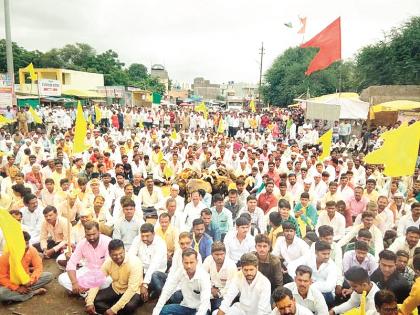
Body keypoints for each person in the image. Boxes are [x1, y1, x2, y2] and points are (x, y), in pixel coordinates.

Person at [85, 239, 143, 315]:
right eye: (115, 255)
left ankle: (115, 308)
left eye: (121, 253)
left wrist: (114, 309)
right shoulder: (108, 262)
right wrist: (89, 302)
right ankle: (116, 308)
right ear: (109, 254)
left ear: (124, 250)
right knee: (95, 300)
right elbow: (97, 281)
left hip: (134, 291)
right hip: (116, 289)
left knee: (129, 306)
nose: (118, 257)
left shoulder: (135, 263)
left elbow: (132, 289)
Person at [58, 221, 112, 294]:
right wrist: (74, 283)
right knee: (62, 278)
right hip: (88, 270)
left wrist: (87, 284)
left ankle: (84, 292)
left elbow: (107, 267)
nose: (91, 237)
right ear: (85, 234)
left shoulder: (108, 242)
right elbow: (71, 263)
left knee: (108, 281)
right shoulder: (82, 243)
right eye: (88, 235)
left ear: (99, 232)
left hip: (104, 273)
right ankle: (86, 292)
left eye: (93, 234)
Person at [153, 248, 211, 315]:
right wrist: (155, 312)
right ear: (182, 262)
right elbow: (167, 290)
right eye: (186, 263)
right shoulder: (180, 271)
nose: (189, 266)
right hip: (185, 306)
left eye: (191, 262)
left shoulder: (204, 276)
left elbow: (205, 303)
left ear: (197, 262)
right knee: (163, 311)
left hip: (201, 310)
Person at [0, 231, 53, 303]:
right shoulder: (6, 256)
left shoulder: (32, 250)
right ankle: (33, 293)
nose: (25, 246)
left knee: (48, 276)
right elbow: (2, 277)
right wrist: (17, 288)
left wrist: (30, 281)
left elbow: (38, 267)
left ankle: (17, 295)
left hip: (27, 280)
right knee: (2, 294)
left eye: (27, 243)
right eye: (22, 244)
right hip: (12, 282)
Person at [288, 241, 337, 306]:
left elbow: (329, 286)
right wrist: (297, 278)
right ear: (316, 252)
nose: (327, 256)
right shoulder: (309, 257)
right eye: (324, 254)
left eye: (328, 253)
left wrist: (310, 286)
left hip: (324, 293)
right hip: (306, 286)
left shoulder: (332, 266)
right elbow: (291, 265)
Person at [128, 222, 167, 300]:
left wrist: (145, 284)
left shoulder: (161, 244)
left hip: (155, 273)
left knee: (153, 281)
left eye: (147, 236)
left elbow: (154, 265)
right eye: (143, 236)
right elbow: (130, 256)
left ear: (153, 234)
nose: (144, 239)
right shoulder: (137, 239)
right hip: (140, 270)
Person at [202, 241, 237, 312]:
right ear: (212, 254)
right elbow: (202, 277)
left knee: (216, 308)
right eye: (216, 254)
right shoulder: (208, 260)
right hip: (211, 290)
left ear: (225, 253)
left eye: (222, 254)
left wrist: (218, 294)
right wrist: (210, 288)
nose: (219, 257)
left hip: (225, 294)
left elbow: (230, 288)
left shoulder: (231, 265)